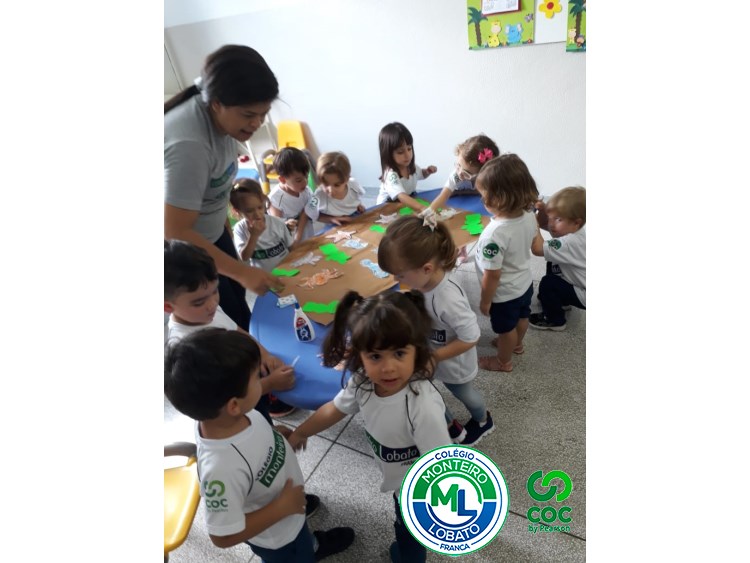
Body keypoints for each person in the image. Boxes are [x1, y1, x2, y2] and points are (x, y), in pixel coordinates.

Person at [286, 290, 452, 563]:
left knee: (409, 534)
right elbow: (335, 408)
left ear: (417, 351)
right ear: (359, 355)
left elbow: (441, 463)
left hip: (415, 491)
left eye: (399, 353)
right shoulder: (363, 381)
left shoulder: (422, 406)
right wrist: (302, 431)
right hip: (397, 476)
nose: (388, 368)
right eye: (375, 356)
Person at [164, 329, 355, 562]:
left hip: (286, 506)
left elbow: (248, 441)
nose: (263, 381)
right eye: (256, 378)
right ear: (234, 405)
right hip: (278, 538)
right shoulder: (220, 471)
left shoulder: (224, 416)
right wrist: (282, 507)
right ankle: (309, 550)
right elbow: (222, 536)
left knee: (300, 534)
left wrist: (272, 435)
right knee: (297, 554)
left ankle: (308, 539)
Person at [165, 44, 283, 331]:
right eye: (248, 114)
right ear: (216, 104)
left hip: (211, 234)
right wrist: (241, 271)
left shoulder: (210, 92)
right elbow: (175, 231)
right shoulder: (189, 145)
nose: (257, 123)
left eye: (264, 113)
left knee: (237, 303)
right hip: (186, 251)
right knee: (224, 319)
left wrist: (229, 245)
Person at [378, 216, 494, 446]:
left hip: (454, 363)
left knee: (463, 393)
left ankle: (483, 420)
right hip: (435, 353)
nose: (395, 279)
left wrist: (435, 356)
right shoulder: (425, 281)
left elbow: (471, 336)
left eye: (400, 274)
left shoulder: (447, 299)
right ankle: (452, 423)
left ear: (426, 268)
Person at [164, 239, 299, 419]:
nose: (213, 303)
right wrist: (270, 384)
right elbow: (226, 401)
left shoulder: (205, 311)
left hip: (251, 383)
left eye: (215, 291)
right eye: (199, 302)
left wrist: (265, 355)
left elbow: (236, 330)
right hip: (237, 413)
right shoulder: (187, 350)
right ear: (167, 306)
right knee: (259, 422)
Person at [474, 154, 539, 373]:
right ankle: (516, 345)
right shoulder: (529, 214)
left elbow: (492, 275)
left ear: (498, 198)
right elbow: (534, 242)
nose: (482, 200)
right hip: (525, 283)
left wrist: (485, 301)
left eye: (483, 195)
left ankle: (503, 361)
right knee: (522, 317)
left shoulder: (494, 234)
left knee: (505, 329)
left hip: (504, 294)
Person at [529, 186, 586, 330]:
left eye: (558, 219)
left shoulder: (571, 242)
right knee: (553, 260)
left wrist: (532, 223)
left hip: (584, 292)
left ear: (577, 222)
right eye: (551, 217)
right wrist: (543, 211)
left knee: (548, 284)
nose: (551, 224)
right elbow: (545, 224)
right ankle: (561, 300)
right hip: (578, 280)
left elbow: (537, 249)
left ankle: (554, 319)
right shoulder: (572, 228)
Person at [230, 178, 294, 272]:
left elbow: (292, 248)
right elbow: (244, 257)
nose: (257, 214)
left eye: (260, 207)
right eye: (249, 211)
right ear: (237, 211)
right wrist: (253, 236)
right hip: (263, 276)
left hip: (288, 271)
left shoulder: (277, 223)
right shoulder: (239, 229)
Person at [428, 134, 501, 213]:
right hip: (456, 193)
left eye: (467, 173)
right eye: (458, 166)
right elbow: (443, 195)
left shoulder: (489, 178)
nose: (459, 173)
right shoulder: (456, 176)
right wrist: (426, 213)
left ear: (483, 173)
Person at [375, 122, 437, 212]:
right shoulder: (391, 175)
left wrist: (427, 171)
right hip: (387, 208)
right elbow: (401, 196)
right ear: (388, 155)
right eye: (400, 152)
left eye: (409, 149)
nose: (407, 155)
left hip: (404, 203)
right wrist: (422, 208)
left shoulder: (410, 166)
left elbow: (421, 175)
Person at [268, 147, 316, 244]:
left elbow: (311, 212)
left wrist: (332, 218)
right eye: (299, 180)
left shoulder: (306, 191)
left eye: (306, 177)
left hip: (308, 239)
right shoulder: (276, 199)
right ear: (282, 180)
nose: (305, 182)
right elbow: (276, 227)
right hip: (290, 245)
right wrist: (286, 225)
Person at [310, 151, 366, 225]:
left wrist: (358, 205)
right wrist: (331, 219)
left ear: (346, 180)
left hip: (356, 216)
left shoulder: (353, 184)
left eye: (336, 185)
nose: (331, 190)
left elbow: (356, 196)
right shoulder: (318, 195)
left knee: (376, 228)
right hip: (334, 223)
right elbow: (309, 213)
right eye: (326, 184)